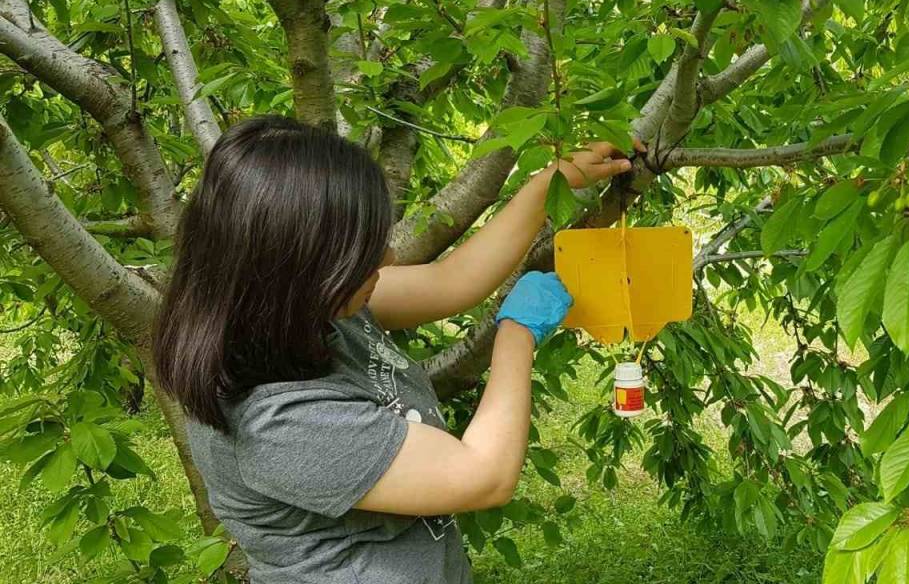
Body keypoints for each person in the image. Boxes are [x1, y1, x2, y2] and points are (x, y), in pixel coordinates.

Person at [152, 115, 633, 584]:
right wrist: (516, 332)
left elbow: (452, 281)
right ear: (300, 270)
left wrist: (550, 184)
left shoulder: (297, 311)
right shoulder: (280, 422)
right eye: (364, 254)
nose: (389, 259)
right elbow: (485, 474)